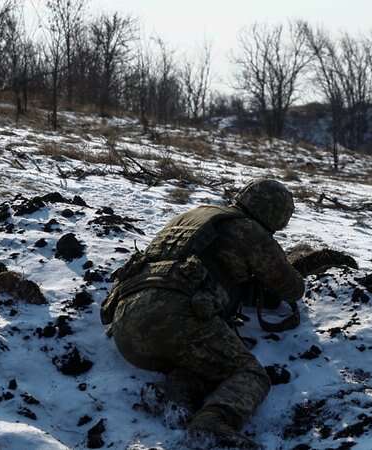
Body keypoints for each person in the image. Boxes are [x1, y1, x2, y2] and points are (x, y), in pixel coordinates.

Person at [101, 179, 305, 448]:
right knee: (249, 372)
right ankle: (213, 423)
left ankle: (173, 395)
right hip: (176, 317)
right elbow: (291, 287)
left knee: (203, 361)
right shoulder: (249, 230)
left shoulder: (195, 216)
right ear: (277, 215)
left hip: (126, 323)